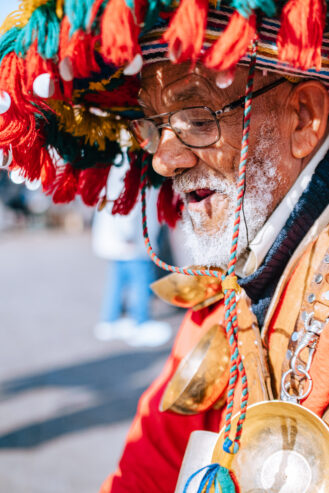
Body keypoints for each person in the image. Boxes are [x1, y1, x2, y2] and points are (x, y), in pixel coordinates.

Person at [1, 1, 329, 492]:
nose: (163, 160)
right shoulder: (223, 293)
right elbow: (147, 464)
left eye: (198, 118)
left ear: (303, 118)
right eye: (153, 127)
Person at [92, 160, 172, 347]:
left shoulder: (121, 161)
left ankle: (110, 320)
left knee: (118, 278)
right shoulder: (131, 163)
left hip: (121, 238)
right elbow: (128, 200)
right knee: (141, 278)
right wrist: (127, 232)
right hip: (131, 239)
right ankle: (141, 321)